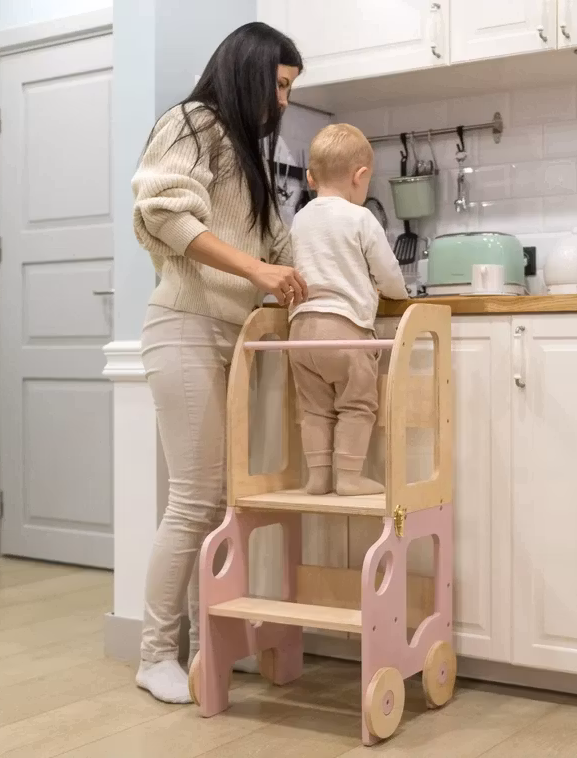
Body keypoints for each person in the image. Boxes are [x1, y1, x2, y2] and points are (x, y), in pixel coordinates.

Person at [130, 21, 307, 704]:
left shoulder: (246, 151)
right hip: (185, 327)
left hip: (235, 338)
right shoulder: (191, 124)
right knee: (195, 501)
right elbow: (167, 215)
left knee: (227, 503)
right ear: (252, 72)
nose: (286, 99)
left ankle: (211, 641)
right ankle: (153, 654)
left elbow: (276, 243)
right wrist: (260, 271)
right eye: (282, 84)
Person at [287, 124, 407, 497]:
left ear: (310, 177)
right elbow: (388, 275)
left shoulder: (300, 218)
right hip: (344, 329)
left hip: (301, 331)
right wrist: (397, 293)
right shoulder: (360, 218)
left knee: (314, 408)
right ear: (361, 176)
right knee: (356, 404)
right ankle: (349, 476)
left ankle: (318, 476)